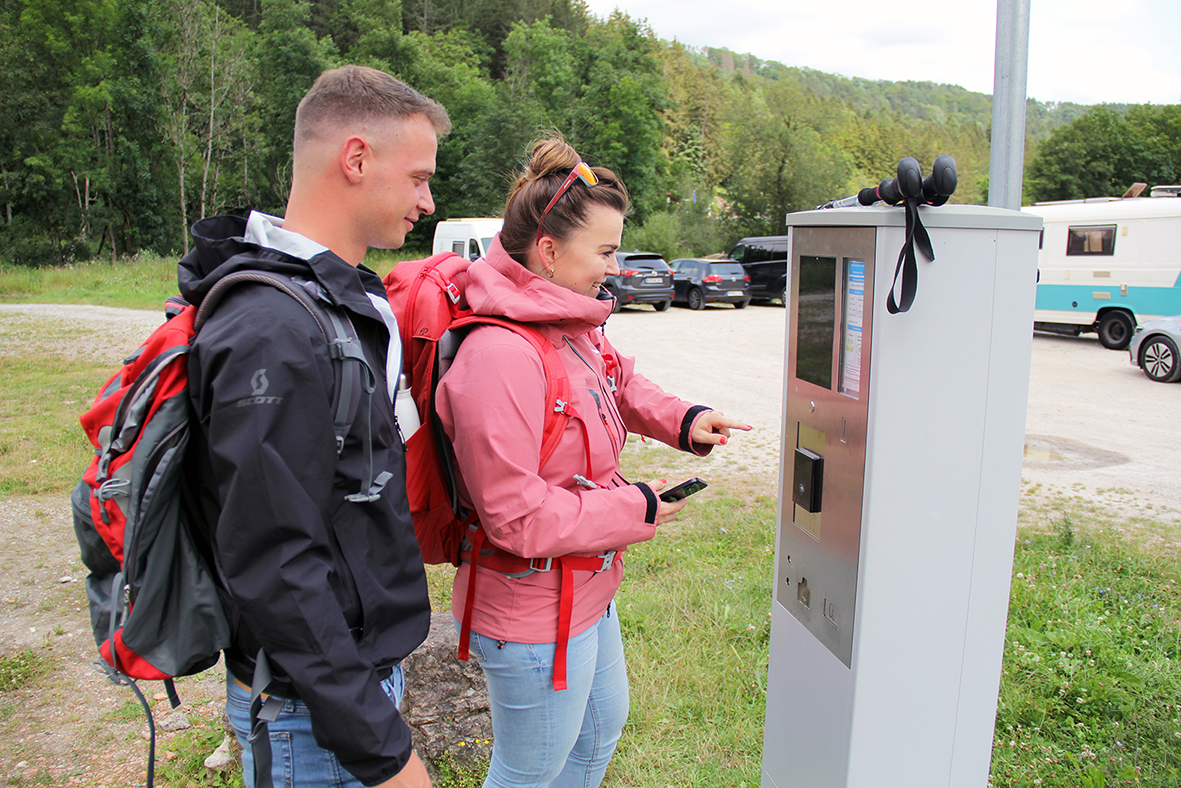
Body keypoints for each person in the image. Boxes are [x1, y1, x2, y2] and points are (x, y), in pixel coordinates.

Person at [434, 138, 751, 788]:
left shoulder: (571, 326)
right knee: (529, 770)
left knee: (597, 735)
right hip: (529, 609)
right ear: (548, 251)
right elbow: (515, 518)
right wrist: (633, 507)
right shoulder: (500, 354)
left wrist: (686, 420)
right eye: (604, 252)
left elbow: (620, 384)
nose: (614, 267)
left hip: (584, 590)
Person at [177, 65, 449, 788]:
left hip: (341, 690)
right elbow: (274, 563)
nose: (427, 201)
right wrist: (381, 750)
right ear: (356, 160)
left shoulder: (342, 297)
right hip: (309, 711)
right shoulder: (271, 327)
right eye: (418, 177)